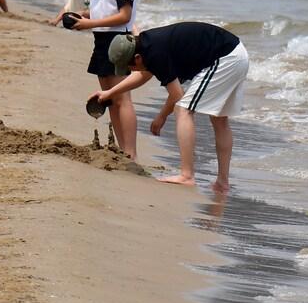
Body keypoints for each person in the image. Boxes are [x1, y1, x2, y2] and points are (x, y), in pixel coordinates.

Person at [95, 22, 250, 191]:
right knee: (219, 119)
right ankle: (222, 182)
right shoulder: (147, 44)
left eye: (128, 66)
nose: (129, 70)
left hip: (226, 58)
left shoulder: (154, 52)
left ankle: (187, 175)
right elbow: (142, 75)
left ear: (137, 58)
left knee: (183, 109)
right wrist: (109, 93)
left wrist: (161, 117)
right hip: (237, 54)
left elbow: (177, 95)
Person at [67, 0, 140, 159]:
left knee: (122, 98)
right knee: (108, 98)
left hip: (119, 41)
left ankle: (131, 152)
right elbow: (104, 9)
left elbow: (125, 16)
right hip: (101, 40)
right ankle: (120, 149)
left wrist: (90, 22)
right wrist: (83, 14)